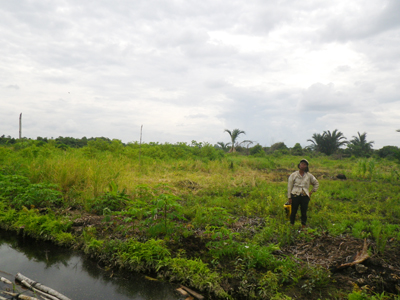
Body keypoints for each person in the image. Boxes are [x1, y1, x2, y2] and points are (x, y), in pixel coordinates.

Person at [287, 159, 319, 229]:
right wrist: (289, 197)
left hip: (305, 196)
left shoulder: (309, 176)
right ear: (299, 165)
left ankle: (303, 226)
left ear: (306, 166)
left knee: (304, 212)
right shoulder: (293, 175)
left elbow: (316, 183)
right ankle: (291, 225)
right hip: (295, 195)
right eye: (301, 164)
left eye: (304, 164)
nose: (302, 165)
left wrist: (311, 192)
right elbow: (290, 186)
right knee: (293, 211)